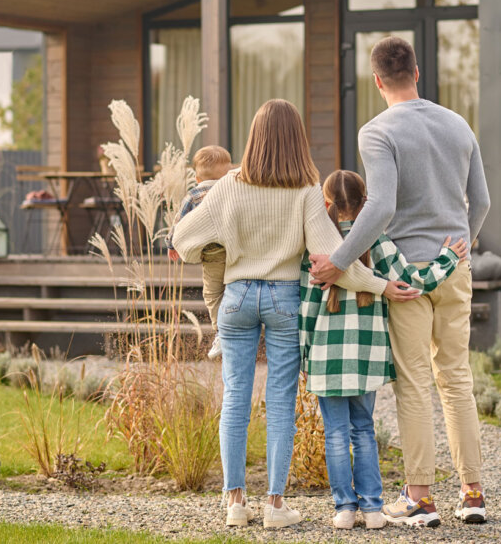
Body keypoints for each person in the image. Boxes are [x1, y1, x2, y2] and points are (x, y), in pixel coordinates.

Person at [172, 100, 419, 529]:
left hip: (235, 297)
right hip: (285, 300)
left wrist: (219, 250)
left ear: (254, 138)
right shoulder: (306, 191)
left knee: (235, 397)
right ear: (297, 140)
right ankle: (274, 506)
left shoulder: (228, 185)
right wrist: (382, 286)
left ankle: (234, 503)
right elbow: (334, 261)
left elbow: (182, 239)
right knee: (281, 403)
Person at [309, 37, 491, 526]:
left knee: (414, 385)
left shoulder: (377, 131)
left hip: (405, 276)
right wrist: (459, 252)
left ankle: (421, 499)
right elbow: (483, 201)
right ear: (416, 71)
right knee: (456, 380)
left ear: (376, 81)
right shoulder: (458, 124)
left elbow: (382, 205)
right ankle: (472, 493)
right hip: (454, 268)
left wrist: (339, 260)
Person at [300, 170, 467, 530]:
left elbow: (307, 306)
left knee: (335, 433)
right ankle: (374, 509)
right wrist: (448, 258)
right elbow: (413, 282)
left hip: (327, 359)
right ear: (366, 205)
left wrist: (305, 355)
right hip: (368, 356)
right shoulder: (378, 241)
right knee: (363, 429)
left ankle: (345, 509)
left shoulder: (317, 245)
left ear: (325, 204)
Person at [166, 145, 232, 360]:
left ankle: (221, 331)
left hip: (212, 254)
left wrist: (171, 244)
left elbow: (178, 223)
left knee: (213, 293)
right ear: (228, 172)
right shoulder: (233, 190)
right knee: (232, 289)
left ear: (196, 178)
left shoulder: (194, 195)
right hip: (236, 250)